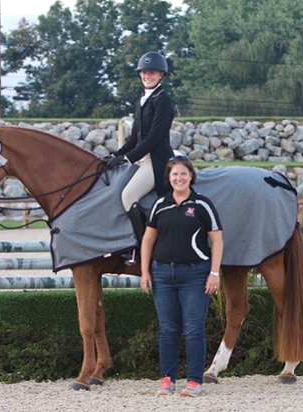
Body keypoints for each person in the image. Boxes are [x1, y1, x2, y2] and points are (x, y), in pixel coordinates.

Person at [140, 155, 224, 397]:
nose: (179, 178)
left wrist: (214, 273)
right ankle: (167, 380)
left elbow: (216, 239)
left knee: (193, 329)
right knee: (167, 329)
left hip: (195, 274)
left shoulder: (202, 205)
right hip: (163, 274)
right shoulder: (159, 205)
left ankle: (195, 381)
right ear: (169, 177)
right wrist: (145, 271)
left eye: (183, 174)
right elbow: (148, 239)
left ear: (191, 176)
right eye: (174, 174)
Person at [106, 51, 175, 264]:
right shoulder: (142, 100)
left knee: (128, 196)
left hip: (156, 161)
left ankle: (141, 247)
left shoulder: (162, 101)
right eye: (144, 73)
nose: (147, 76)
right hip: (142, 158)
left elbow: (154, 137)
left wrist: (128, 158)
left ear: (161, 75)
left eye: (152, 73)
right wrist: (116, 155)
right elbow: (136, 136)